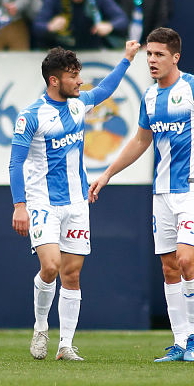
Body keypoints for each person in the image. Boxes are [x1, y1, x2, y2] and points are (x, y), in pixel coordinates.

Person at [89, 27, 194, 363]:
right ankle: (179, 342)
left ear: (176, 57)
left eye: (159, 54)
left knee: (188, 261)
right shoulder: (149, 96)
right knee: (169, 268)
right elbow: (140, 141)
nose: (152, 61)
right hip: (163, 193)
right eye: (148, 54)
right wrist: (106, 173)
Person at [12, 41, 141, 361]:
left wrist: (126, 59)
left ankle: (65, 345)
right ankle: (41, 328)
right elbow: (16, 163)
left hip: (77, 203)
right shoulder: (31, 116)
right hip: (43, 203)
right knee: (51, 266)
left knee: (72, 274)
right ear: (54, 80)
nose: (80, 81)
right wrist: (20, 205)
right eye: (73, 76)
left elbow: (106, 89)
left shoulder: (79, 103)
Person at [33, 0, 127, 51]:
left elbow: (123, 20)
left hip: (92, 53)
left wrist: (110, 26)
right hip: (61, 55)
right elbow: (37, 25)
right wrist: (50, 27)